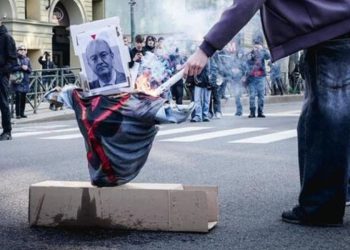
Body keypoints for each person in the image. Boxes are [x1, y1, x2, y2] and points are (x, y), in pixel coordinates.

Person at [184, 1, 350, 227]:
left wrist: (206, 49)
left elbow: (246, 3)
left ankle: (321, 207)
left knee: (324, 124)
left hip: (333, 38)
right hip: (338, 30)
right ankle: (338, 192)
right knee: (327, 120)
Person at [0, 20, 17, 141]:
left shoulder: (7, 37)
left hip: (1, 75)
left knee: (3, 103)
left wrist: (2, 72)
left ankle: (7, 131)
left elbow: (12, 61)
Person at [245, 42, 270, 118]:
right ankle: (252, 112)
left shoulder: (263, 53)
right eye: (255, 47)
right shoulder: (250, 54)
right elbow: (247, 61)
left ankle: (260, 112)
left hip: (261, 77)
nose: (257, 49)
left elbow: (268, 57)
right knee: (252, 95)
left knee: (261, 96)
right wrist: (252, 53)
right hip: (252, 78)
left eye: (258, 47)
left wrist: (264, 49)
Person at [11, 45, 32, 119]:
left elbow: (30, 70)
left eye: (24, 49)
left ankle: (22, 113)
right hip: (17, 81)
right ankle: (17, 114)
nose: (23, 50)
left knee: (23, 98)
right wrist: (21, 67)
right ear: (18, 51)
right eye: (21, 49)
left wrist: (26, 68)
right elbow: (11, 69)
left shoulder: (27, 59)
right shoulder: (15, 59)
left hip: (25, 80)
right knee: (18, 98)